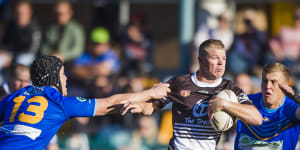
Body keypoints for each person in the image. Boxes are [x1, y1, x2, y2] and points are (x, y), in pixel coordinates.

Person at [0, 55, 170, 150]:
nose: (66, 78)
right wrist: (152, 93)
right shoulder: (59, 102)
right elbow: (110, 102)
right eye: (63, 74)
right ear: (53, 78)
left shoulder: (16, 96)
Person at [122, 39, 263, 150]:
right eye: (215, 58)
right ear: (200, 60)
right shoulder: (180, 83)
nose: (221, 63)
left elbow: (257, 118)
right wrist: (139, 106)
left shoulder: (230, 89)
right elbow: (151, 107)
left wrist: (225, 104)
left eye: (224, 58)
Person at [234, 62, 300, 150]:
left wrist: (297, 98)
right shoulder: (246, 101)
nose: (268, 86)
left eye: (273, 82)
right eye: (265, 81)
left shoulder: (292, 108)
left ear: (286, 86)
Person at [0, 0, 41, 66]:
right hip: (12, 54)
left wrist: (14, 57)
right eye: (17, 13)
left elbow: (32, 50)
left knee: (21, 61)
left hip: (28, 56)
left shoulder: (34, 28)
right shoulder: (11, 26)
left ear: (29, 13)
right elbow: (5, 43)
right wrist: (5, 52)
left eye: (22, 13)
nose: (20, 16)